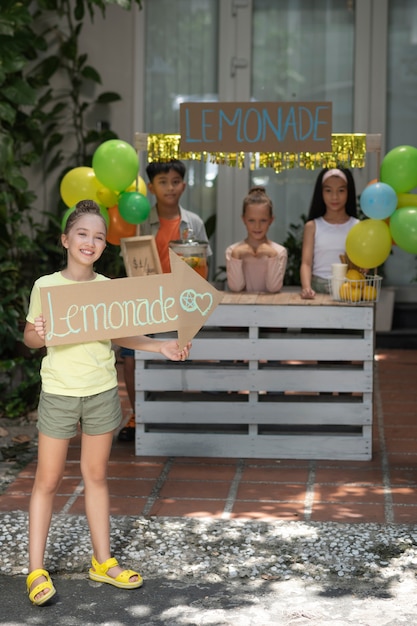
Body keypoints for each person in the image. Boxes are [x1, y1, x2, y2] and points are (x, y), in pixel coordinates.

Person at [23, 200, 190, 606]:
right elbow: (30, 339)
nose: (91, 241)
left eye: (99, 236)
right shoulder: (46, 286)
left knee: (95, 477)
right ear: (65, 239)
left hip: (100, 392)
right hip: (60, 393)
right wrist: (40, 332)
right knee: (47, 480)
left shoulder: (106, 289)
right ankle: (35, 569)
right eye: (82, 233)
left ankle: (103, 561)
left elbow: (123, 335)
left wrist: (161, 345)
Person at [118, 158, 211, 442]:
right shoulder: (140, 221)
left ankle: (176, 414)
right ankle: (136, 414)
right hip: (145, 300)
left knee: (181, 355)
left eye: (175, 182)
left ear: (183, 185)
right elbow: (131, 259)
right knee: (132, 357)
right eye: (162, 182)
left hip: (182, 302)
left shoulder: (193, 222)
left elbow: (205, 262)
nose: (169, 188)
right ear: (150, 187)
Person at [300, 167, 359, 299]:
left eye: (341, 191)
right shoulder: (312, 226)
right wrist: (306, 287)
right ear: (320, 193)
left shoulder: (357, 226)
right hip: (317, 286)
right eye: (328, 190)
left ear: (349, 192)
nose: (334, 197)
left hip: (348, 288)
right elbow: (306, 263)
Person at [225, 186, 287, 293]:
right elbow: (236, 288)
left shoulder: (279, 252)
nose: (257, 226)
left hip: (271, 308)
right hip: (241, 308)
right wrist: (236, 256)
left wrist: (273, 256)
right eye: (251, 220)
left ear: (271, 220)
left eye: (263, 220)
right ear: (243, 219)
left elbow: (274, 288)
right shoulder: (232, 251)